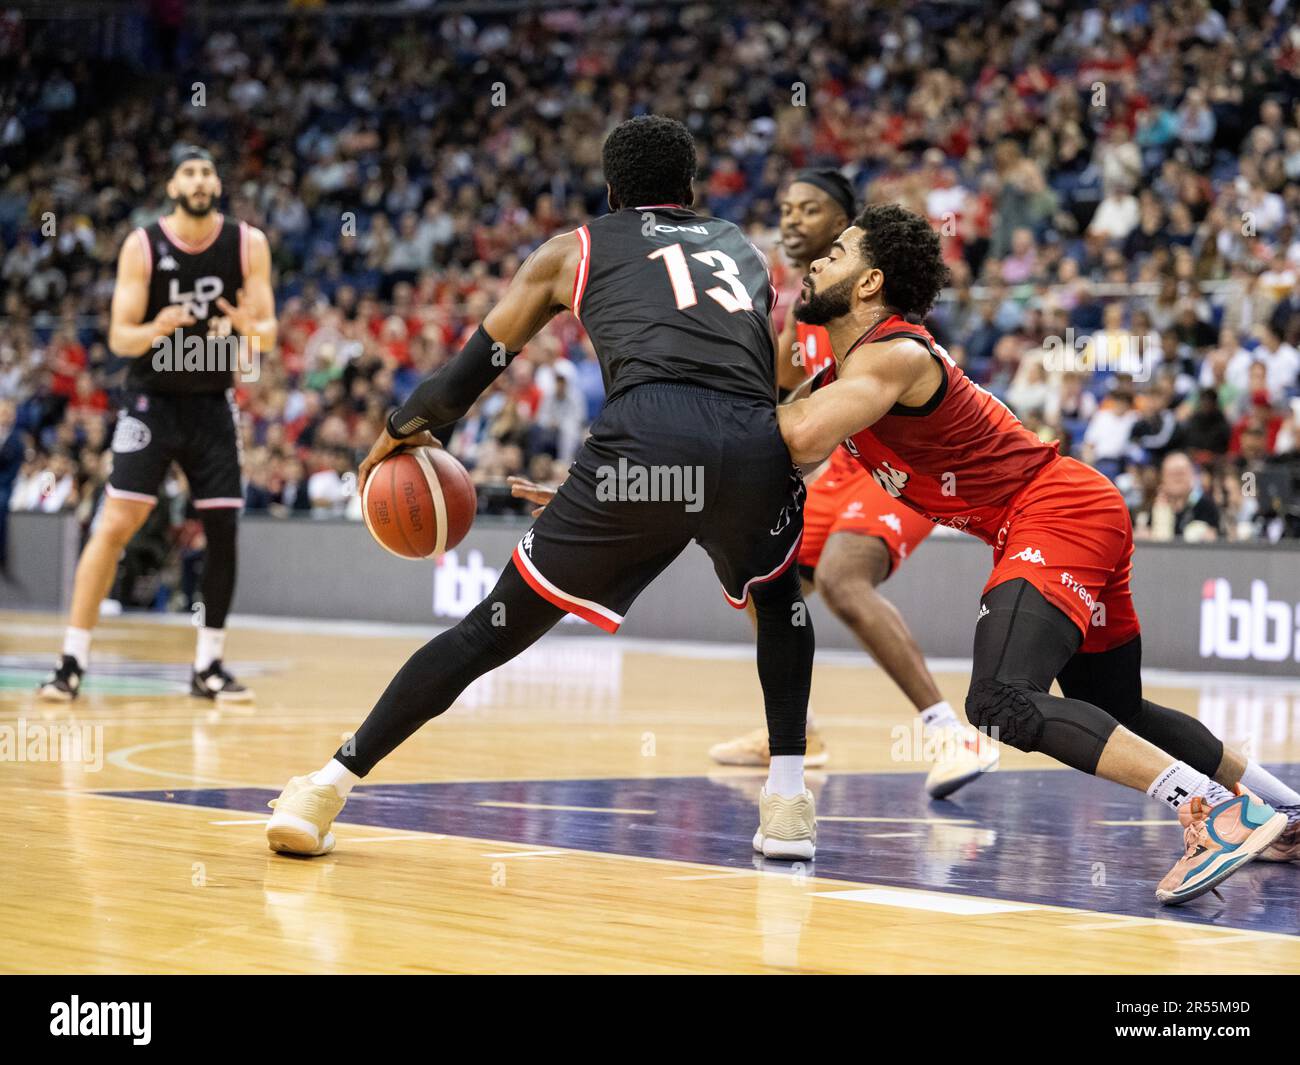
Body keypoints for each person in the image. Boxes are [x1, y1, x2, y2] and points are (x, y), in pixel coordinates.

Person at [266, 116, 818, 861]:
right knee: (778, 594)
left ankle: (324, 788)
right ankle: (786, 799)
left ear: (611, 192)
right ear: (692, 191)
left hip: (644, 450)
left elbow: (472, 370)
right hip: (756, 441)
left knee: (491, 628)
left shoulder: (574, 249)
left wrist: (403, 426)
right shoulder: (745, 248)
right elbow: (751, 366)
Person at [775, 202, 1299, 904]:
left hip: (1054, 512)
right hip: (1078, 506)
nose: (814, 261)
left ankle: (1216, 810)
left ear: (869, 282)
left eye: (835, 252)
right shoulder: (851, 370)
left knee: (998, 701)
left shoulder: (891, 355)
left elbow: (798, 438)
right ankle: (1285, 810)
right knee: (1118, 707)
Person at [37, 145, 276, 703]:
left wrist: (246, 326)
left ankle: (209, 666)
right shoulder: (143, 245)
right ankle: (72, 659)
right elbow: (120, 338)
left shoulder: (248, 244)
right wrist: (159, 327)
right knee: (116, 522)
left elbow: (265, 331)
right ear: (172, 186)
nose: (200, 180)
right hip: (151, 401)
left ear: (217, 184)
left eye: (208, 171)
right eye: (189, 172)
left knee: (223, 530)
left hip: (213, 402)